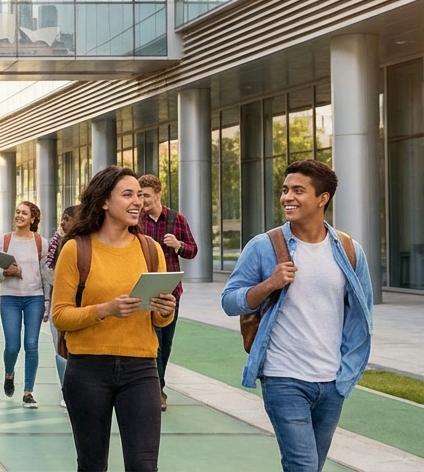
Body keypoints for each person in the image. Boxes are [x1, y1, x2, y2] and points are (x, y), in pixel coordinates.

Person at [222, 160, 373, 472]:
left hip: (332, 381)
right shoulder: (264, 246)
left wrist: (346, 373)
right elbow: (230, 301)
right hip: (283, 376)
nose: (287, 197)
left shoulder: (349, 249)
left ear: (322, 198)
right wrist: (270, 284)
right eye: (285, 190)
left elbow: (362, 315)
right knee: (302, 465)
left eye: (298, 190)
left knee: (312, 466)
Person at [52, 166, 175, 472]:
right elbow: (60, 315)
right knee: (92, 465)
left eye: (140, 196)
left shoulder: (151, 250)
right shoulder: (75, 249)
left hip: (141, 369)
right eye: (128, 195)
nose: (138, 202)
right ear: (105, 201)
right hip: (88, 369)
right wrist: (104, 310)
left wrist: (165, 309)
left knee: (144, 466)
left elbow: (159, 322)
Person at [135, 174, 198, 411]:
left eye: (146, 196)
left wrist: (178, 245)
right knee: (154, 342)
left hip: (171, 292)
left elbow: (192, 251)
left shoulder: (175, 219)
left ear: (158, 194)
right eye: (139, 195)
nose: (142, 200)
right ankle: (156, 390)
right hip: (143, 289)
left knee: (166, 342)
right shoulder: (136, 220)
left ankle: (157, 385)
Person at [0, 200, 48, 408]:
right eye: (17, 212)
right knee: (13, 346)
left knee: (31, 345)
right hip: (10, 298)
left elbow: (46, 274)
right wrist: (6, 272)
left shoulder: (41, 242)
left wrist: (48, 301)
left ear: (32, 219)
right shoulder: (5, 240)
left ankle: (28, 392)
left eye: (24, 213)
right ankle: (9, 374)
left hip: (35, 297)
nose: (19, 216)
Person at [43, 206, 78, 407]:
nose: (62, 223)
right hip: (58, 300)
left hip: (78, 302)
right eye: (62, 218)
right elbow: (47, 272)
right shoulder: (56, 242)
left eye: (67, 219)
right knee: (60, 347)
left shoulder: (81, 243)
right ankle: (66, 391)